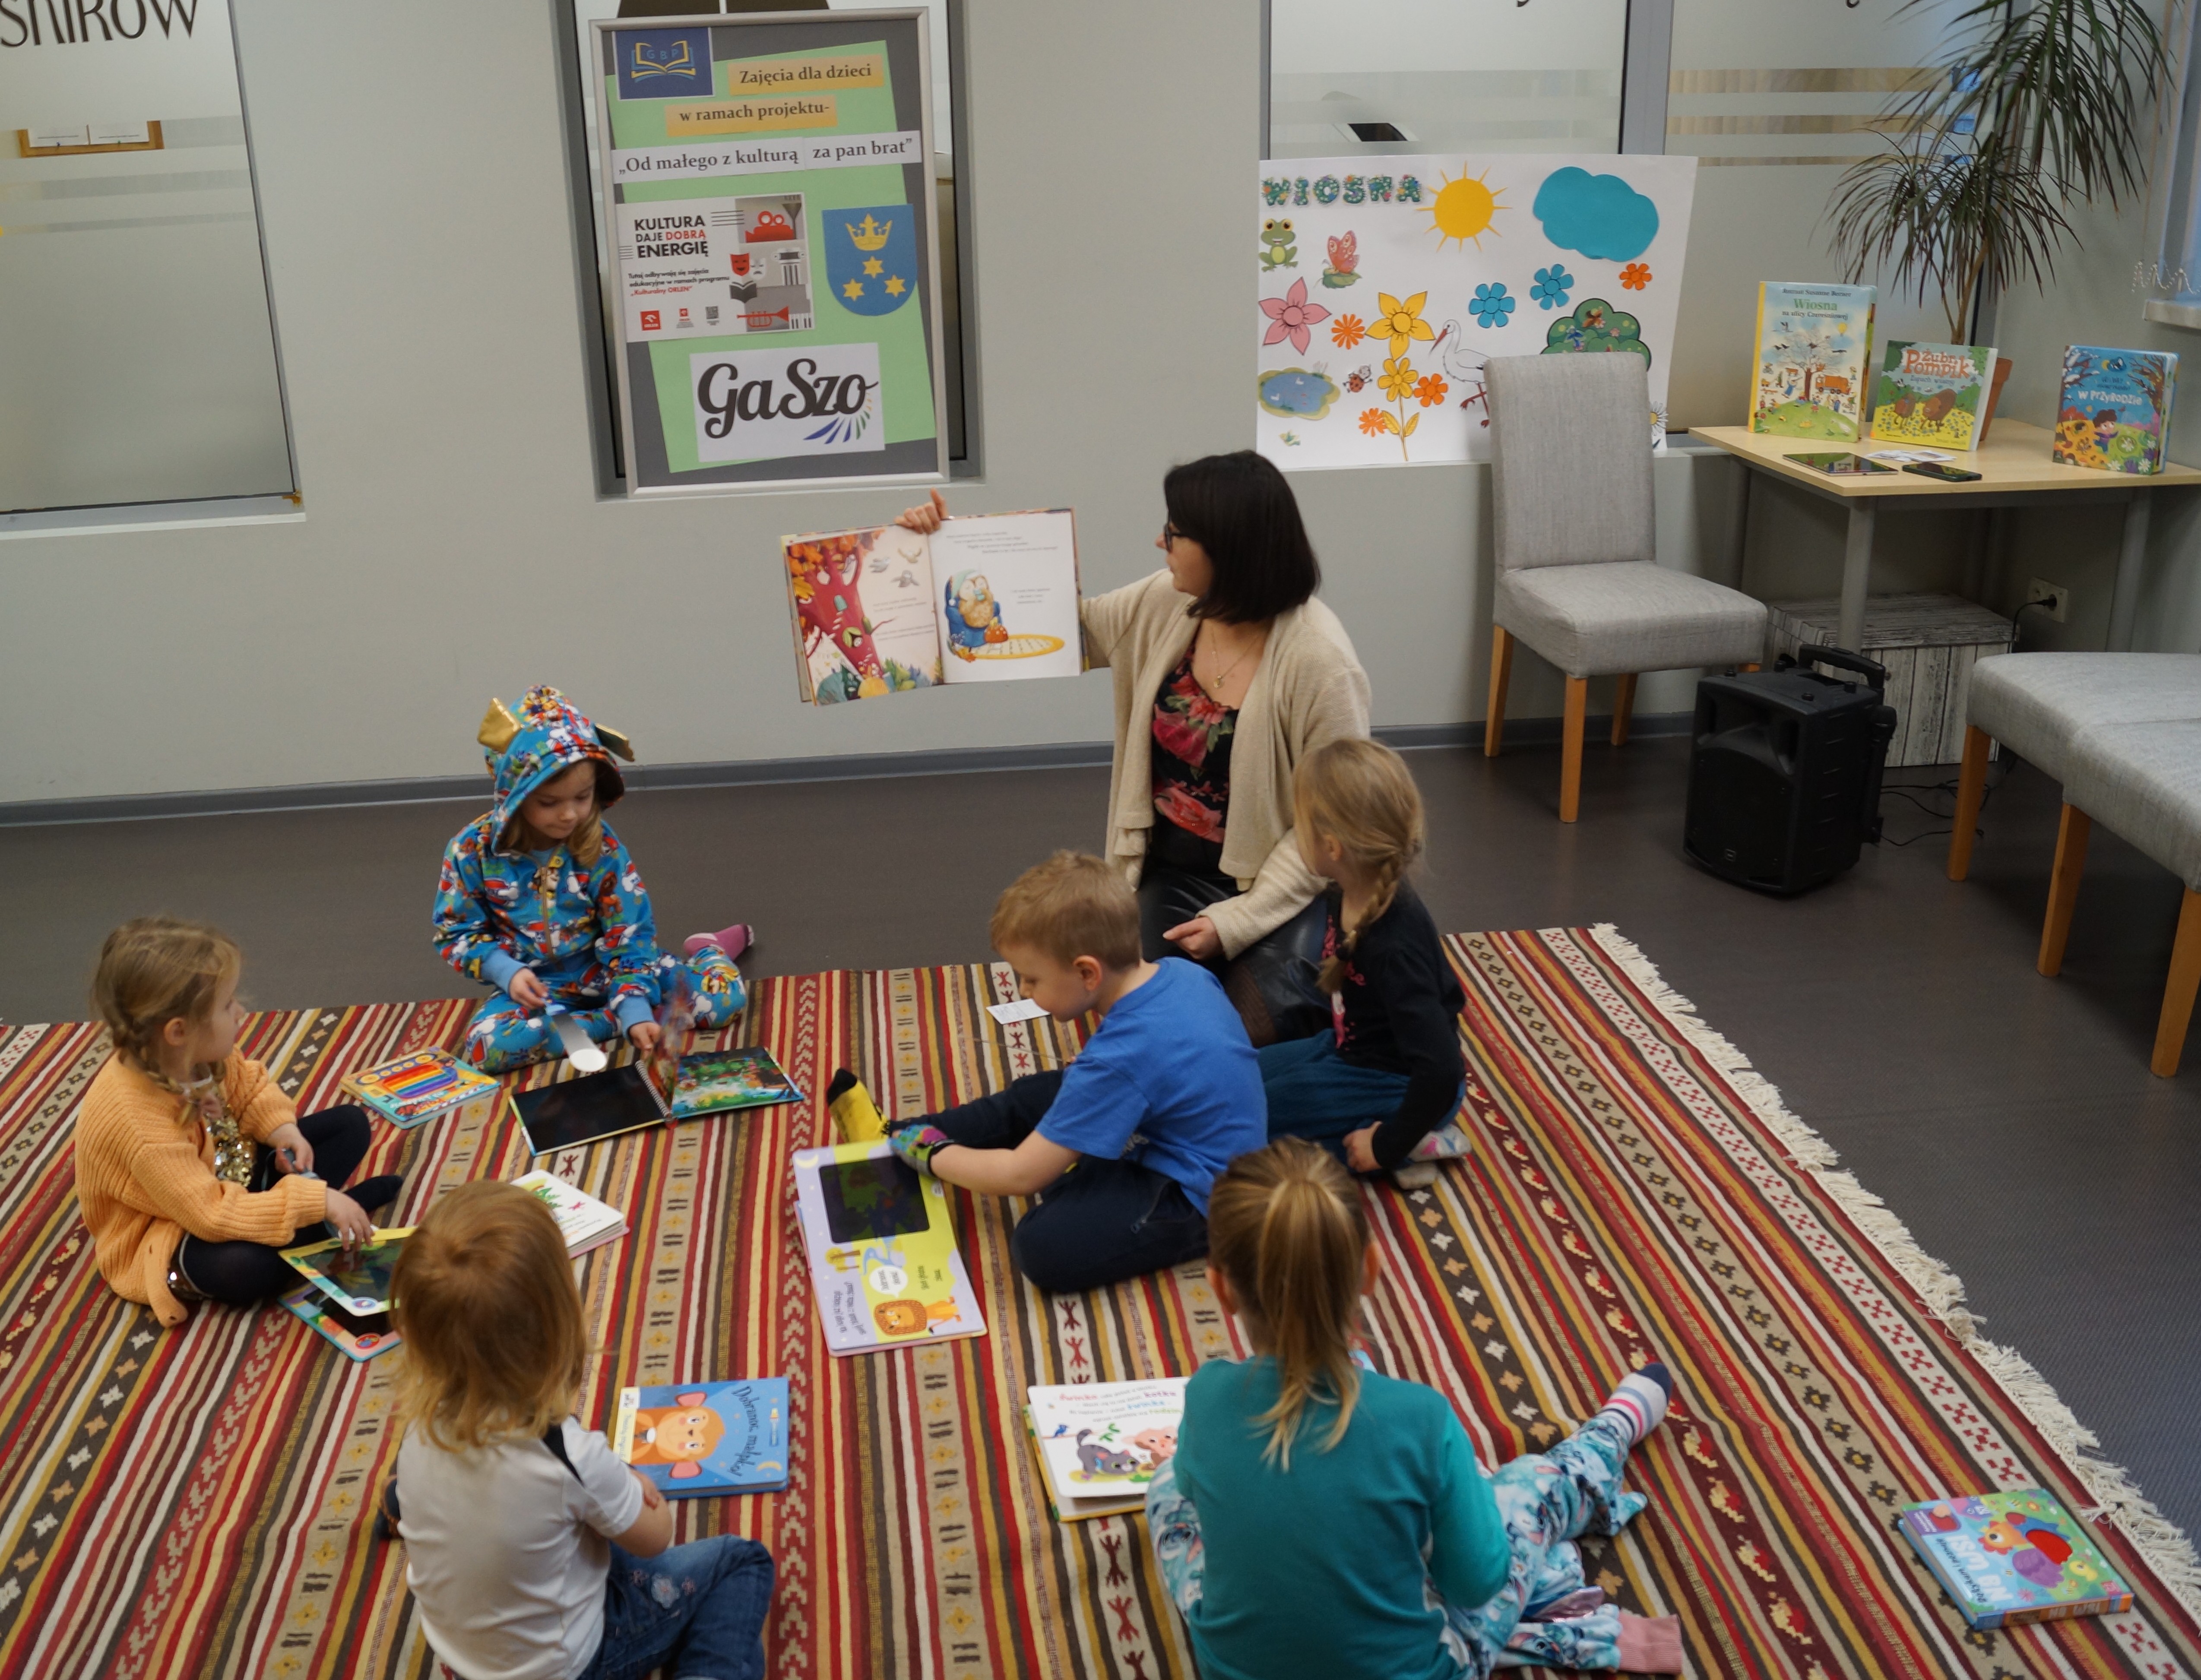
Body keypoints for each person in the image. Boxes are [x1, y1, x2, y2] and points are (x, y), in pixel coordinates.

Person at [1147, 1139, 1685, 1680]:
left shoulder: (1207, 1394)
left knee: (1168, 1481)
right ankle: (1607, 1437)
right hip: (1420, 1668)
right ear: (1371, 1268)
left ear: (1221, 1288)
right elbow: (1475, 1584)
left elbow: (1192, 1491)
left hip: (1237, 1671)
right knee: (1529, 1487)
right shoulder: (1423, 1419)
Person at [896, 452, 1370, 1047]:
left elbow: (1333, 827)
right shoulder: (1164, 602)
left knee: (1257, 1034)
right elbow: (1054, 629)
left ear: (1228, 547)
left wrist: (1236, 922)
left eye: (1174, 531)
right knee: (1155, 1026)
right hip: (1173, 873)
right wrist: (944, 553)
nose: (1159, 541)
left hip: (1284, 886)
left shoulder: (1322, 662)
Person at [390, 1180, 774, 1680]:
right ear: (558, 1326)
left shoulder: (418, 1431)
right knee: (742, 1563)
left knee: (556, 1520)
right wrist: (634, 1482)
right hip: (569, 1664)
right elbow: (655, 1538)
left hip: (464, 1663)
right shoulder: (568, 1456)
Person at [831, 851, 1264, 1294]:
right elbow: (1167, 1052)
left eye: (1031, 979)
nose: (1024, 990)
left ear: (1087, 972)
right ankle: (890, 1135)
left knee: (1042, 1246)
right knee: (1037, 1095)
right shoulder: (1179, 972)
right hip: (1172, 1128)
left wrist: (934, 1155)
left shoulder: (1119, 1060)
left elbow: (1020, 1176)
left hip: (1201, 1194)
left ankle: (922, 1142)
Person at [74, 915, 401, 1327]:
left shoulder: (191, 1052)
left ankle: (309, 1221)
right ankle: (321, 1221)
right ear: (178, 1031)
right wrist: (316, 1201)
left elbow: (249, 1089)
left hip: (231, 1173)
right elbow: (208, 1213)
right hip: (171, 1228)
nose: (241, 1011)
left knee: (351, 1125)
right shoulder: (139, 1124)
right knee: (249, 1269)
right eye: (228, 1005)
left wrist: (282, 1130)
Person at [432, 685, 748, 1073]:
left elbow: (630, 934)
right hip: (538, 988)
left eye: (582, 797)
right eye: (549, 802)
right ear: (512, 795)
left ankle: (708, 951)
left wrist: (633, 999)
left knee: (724, 1002)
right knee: (489, 1046)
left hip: (611, 970)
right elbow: (456, 932)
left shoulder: (603, 847)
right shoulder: (471, 851)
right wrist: (507, 971)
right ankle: (618, 1020)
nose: (569, 815)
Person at [1258, 739, 1469, 1189]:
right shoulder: (1345, 891)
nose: (1295, 831)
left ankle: (1410, 1144)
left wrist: (1386, 1145)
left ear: (1332, 847)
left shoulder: (1393, 947)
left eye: (1300, 823)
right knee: (1234, 1075)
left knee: (1245, 1126)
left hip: (1403, 1086)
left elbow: (1442, 1068)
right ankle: (1397, 1135)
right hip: (1348, 1051)